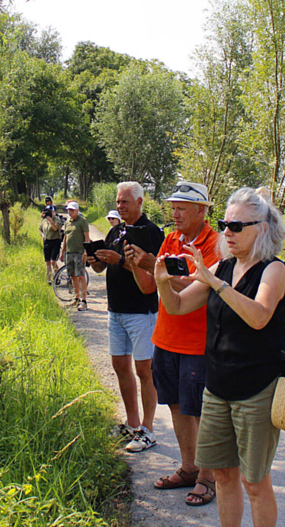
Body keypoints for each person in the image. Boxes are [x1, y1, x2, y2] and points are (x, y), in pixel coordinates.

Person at [153, 186, 285, 527]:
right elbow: (179, 306)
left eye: (236, 226)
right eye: (223, 223)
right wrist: (162, 282)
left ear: (263, 228)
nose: (226, 232)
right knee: (224, 476)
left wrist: (214, 282)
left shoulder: (273, 270)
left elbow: (259, 316)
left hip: (257, 390)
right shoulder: (224, 267)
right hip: (217, 389)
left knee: (255, 482)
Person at [127, 181, 219, 506]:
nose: (175, 213)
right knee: (178, 406)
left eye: (182, 207)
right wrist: (139, 265)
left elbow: (204, 286)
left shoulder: (214, 245)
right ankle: (190, 467)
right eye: (173, 206)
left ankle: (209, 478)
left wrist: (166, 271)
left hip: (198, 343)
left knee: (203, 411)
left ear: (201, 210)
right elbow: (151, 287)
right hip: (165, 338)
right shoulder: (171, 239)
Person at [90, 181, 165, 452]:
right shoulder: (116, 230)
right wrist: (97, 260)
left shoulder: (150, 232)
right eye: (118, 202)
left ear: (139, 202)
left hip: (141, 311)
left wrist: (119, 260)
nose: (120, 206)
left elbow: (157, 272)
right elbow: (103, 268)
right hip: (116, 310)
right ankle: (132, 424)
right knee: (120, 366)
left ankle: (148, 428)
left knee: (144, 370)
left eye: (125, 202)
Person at [59, 201, 91, 309]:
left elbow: (87, 237)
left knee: (81, 276)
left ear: (77, 210)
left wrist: (86, 252)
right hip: (69, 252)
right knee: (73, 275)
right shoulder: (67, 222)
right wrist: (63, 252)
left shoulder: (82, 221)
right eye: (69, 210)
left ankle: (84, 300)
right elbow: (65, 237)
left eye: (72, 210)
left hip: (79, 252)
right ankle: (76, 298)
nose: (70, 212)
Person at [39, 206, 62, 283]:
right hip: (47, 242)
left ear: (53, 212)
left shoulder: (57, 219)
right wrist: (42, 235)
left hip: (55, 241)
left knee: (53, 261)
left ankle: (57, 277)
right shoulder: (44, 220)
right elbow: (40, 228)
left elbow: (56, 229)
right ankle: (49, 279)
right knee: (48, 262)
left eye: (49, 211)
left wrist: (51, 221)